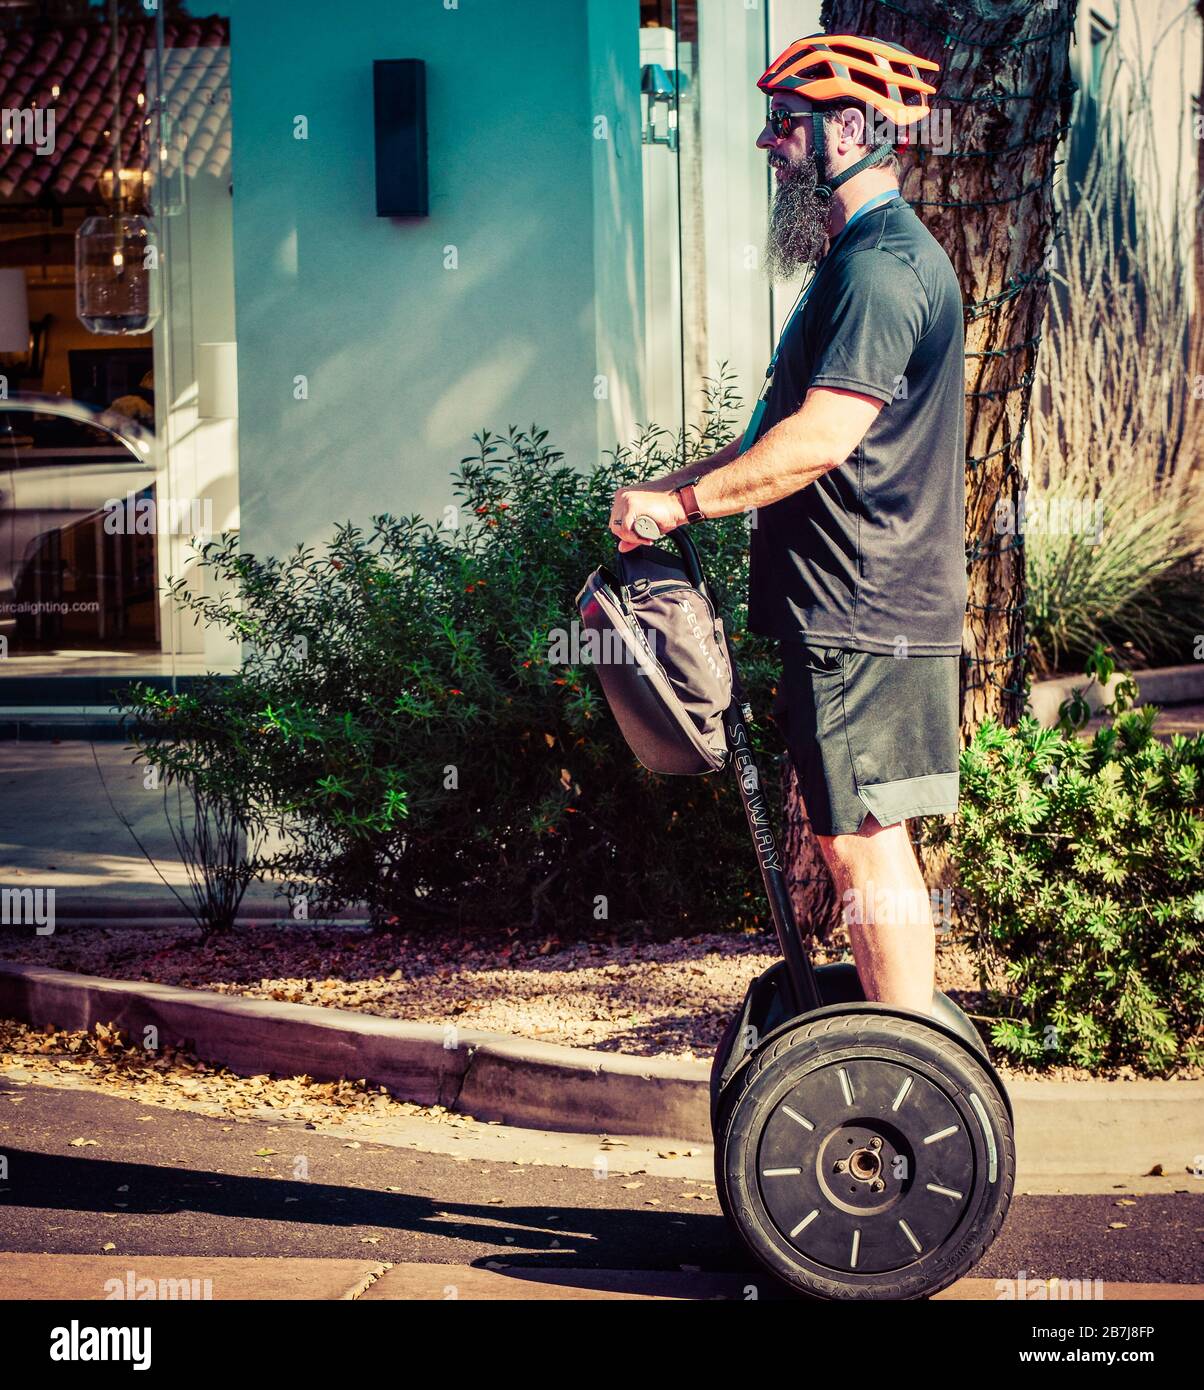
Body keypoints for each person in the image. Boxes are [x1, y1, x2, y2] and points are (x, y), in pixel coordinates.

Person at [608, 33, 965, 1019]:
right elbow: (765, 440)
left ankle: (902, 1058)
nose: (770, 144)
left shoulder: (884, 269)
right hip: (847, 603)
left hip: (867, 603)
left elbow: (820, 441)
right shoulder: (856, 259)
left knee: (861, 833)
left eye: (787, 125)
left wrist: (680, 507)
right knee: (857, 824)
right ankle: (898, 1047)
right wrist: (669, 486)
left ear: (848, 129)